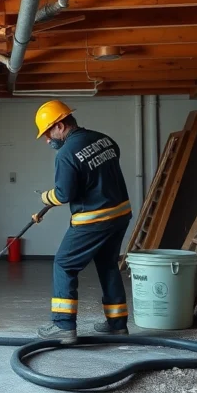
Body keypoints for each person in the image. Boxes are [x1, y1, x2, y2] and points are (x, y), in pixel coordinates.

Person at [31, 100, 132, 344]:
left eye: (47, 133)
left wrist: (45, 196)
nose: (47, 140)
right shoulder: (104, 139)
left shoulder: (65, 154)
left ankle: (64, 326)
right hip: (120, 215)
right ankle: (117, 325)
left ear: (61, 125)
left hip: (93, 220)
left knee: (64, 264)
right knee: (108, 265)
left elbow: (64, 194)